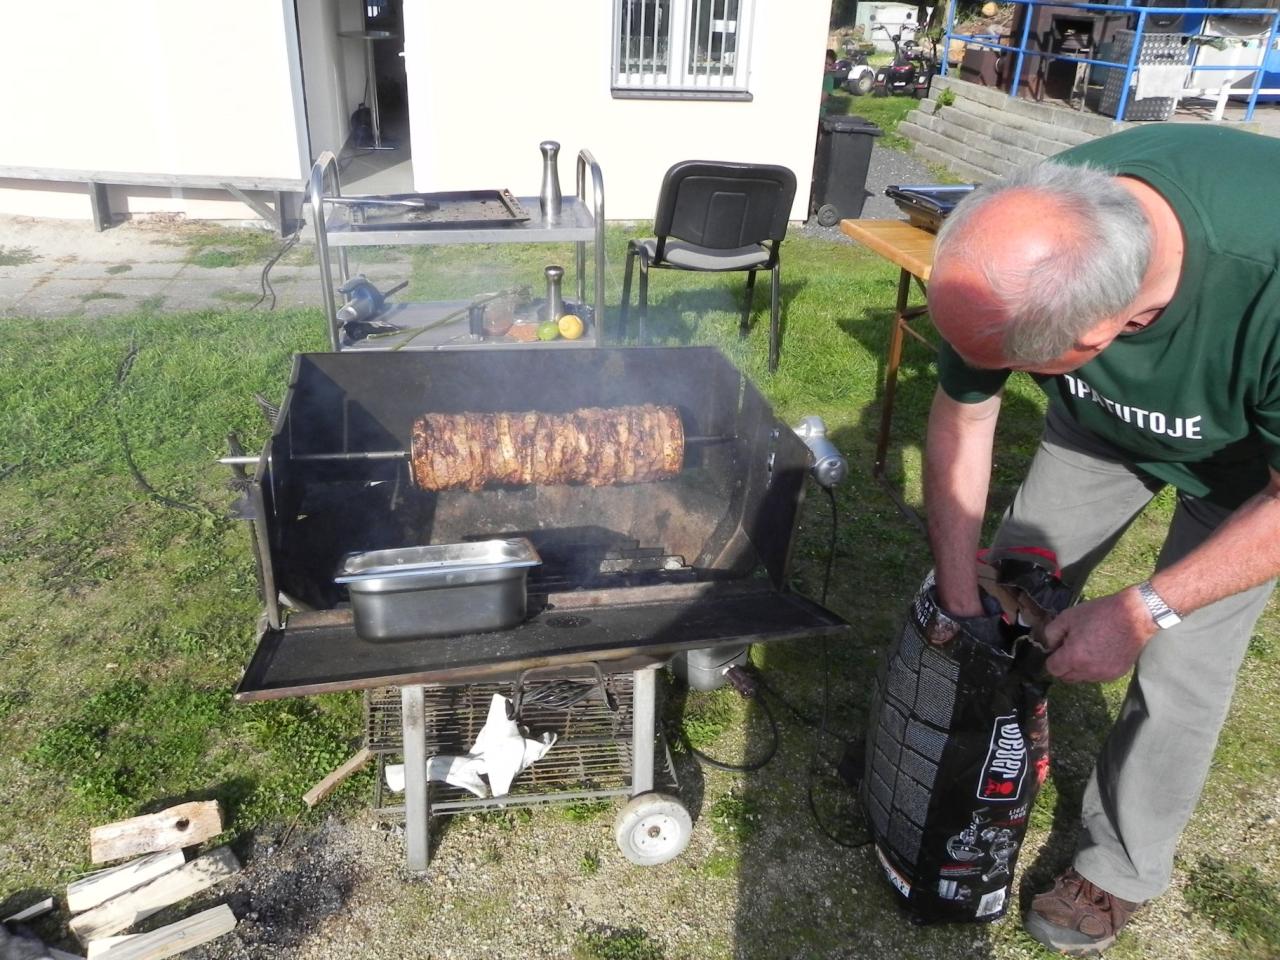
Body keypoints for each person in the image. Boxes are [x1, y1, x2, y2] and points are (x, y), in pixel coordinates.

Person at [923, 123, 1280, 955]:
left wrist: (1144, 610)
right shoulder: (1024, 231)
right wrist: (960, 592)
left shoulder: (1263, 279)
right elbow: (964, 417)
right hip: (1100, 428)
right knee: (1010, 586)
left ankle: (1120, 865)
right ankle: (965, 764)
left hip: (1249, 474)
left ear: (1110, 335)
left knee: (1182, 663)